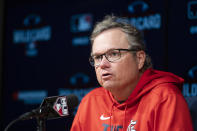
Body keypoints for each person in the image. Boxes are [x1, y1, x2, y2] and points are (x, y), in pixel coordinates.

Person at [70, 15, 193, 131]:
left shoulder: (165, 98)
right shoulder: (90, 102)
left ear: (139, 59)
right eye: (97, 57)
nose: (102, 64)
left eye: (114, 54)